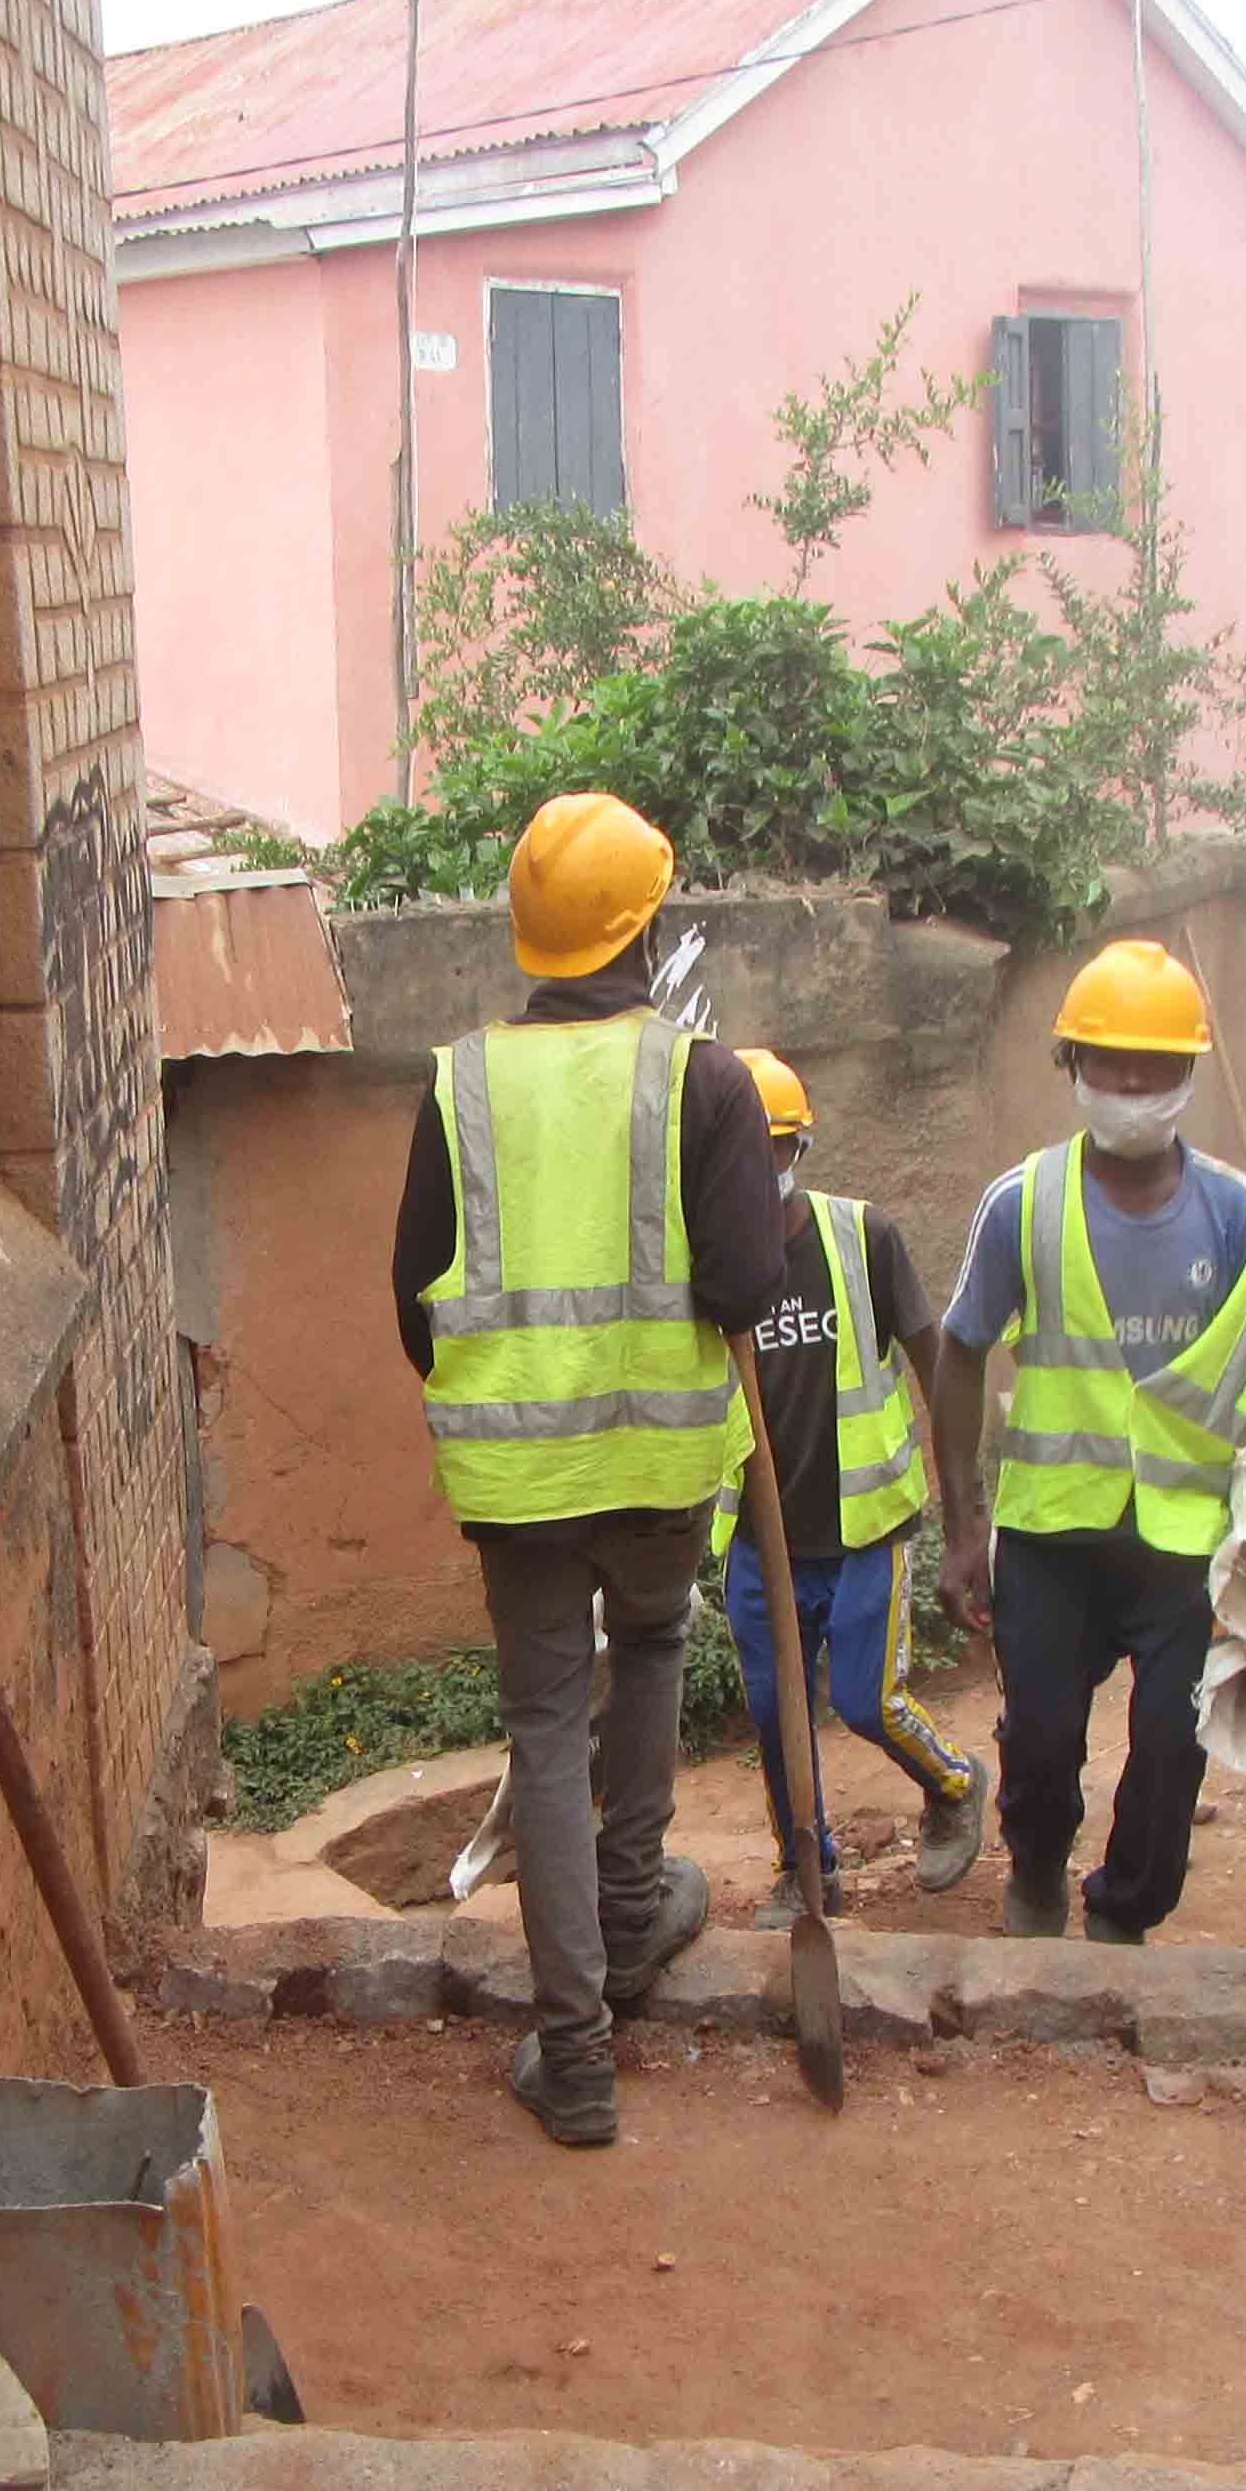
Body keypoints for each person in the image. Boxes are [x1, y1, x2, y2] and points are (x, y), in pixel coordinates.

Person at [393, 792, 777, 2149]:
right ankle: (629, 1914)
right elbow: (743, 1283)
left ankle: (576, 2057)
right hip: (662, 1463)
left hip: (516, 1478)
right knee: (657, 1649)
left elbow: (411, 1299)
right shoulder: (704, 1081)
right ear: (649, 930)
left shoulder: (465, 1082)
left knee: (547, 1728)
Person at [930, 943, 1246, 1948]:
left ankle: (1127, 1908)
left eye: (1155, 1070)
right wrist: (963, 1527)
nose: (1133, 1089)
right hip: (1053, 1536)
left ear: (1189, 1076)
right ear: (1070, 1068)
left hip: (1181, 1541)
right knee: (1046, 1739)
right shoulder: (1021, 1204)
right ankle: (1038, 1868)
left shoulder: (1231, 1212)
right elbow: (959, 1352)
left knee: (1168, 1748)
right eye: (1111, 1067)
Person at [712, 1050, 991, 1927]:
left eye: (776, 1150)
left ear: (799, 1149)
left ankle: (953, 1784)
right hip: (766, 1538)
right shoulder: (710, 1266)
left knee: (866, 1701)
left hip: (864, 1523)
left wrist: (961, 1509)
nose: (760, 1174)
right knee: (771, 1710)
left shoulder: (862, 1237)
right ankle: (807, 1866)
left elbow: (932, 1357)